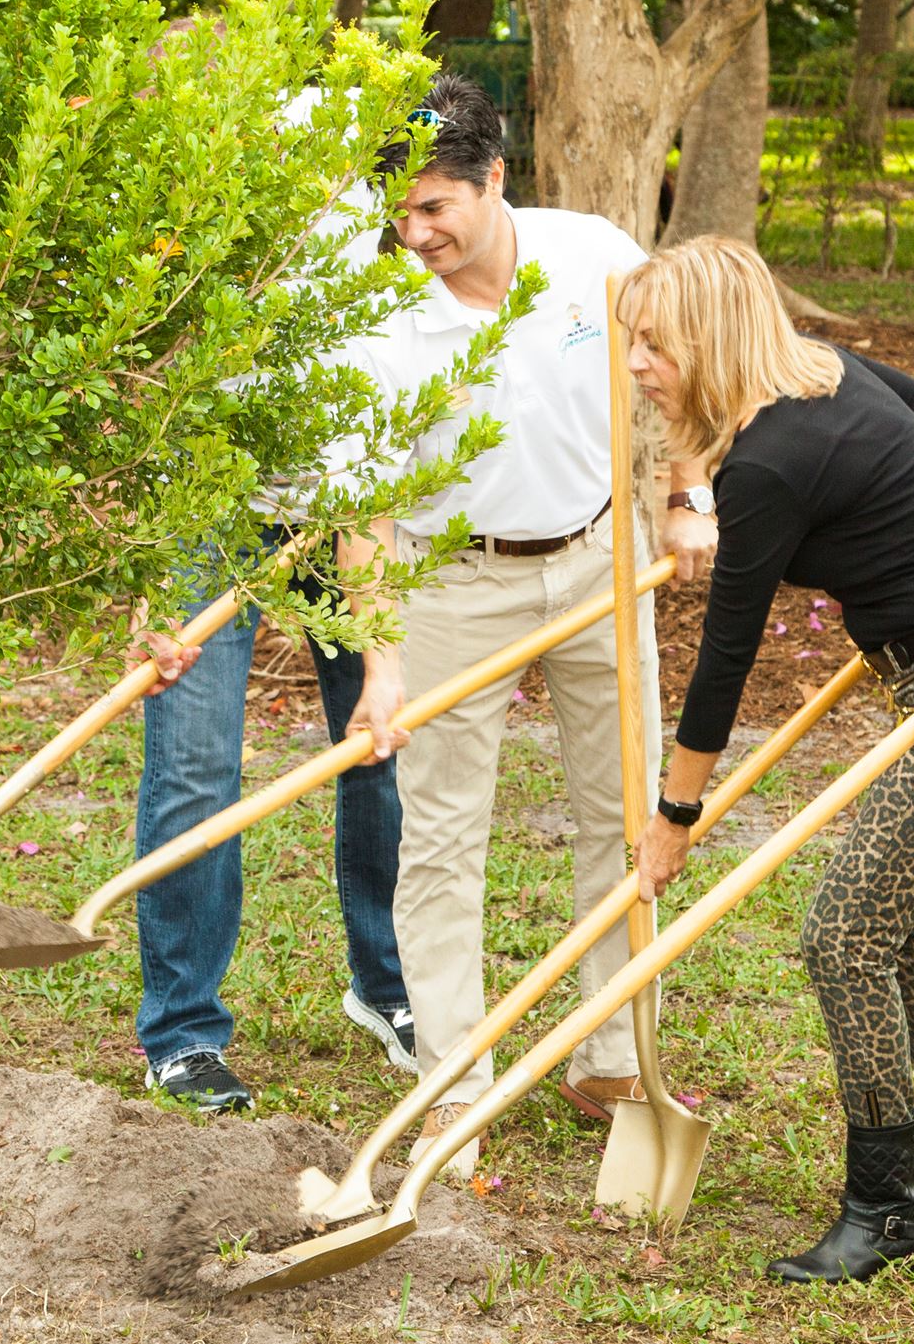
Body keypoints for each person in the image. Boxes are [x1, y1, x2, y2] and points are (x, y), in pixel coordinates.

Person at [621, 235, 914, 1285]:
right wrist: (886, 531)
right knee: (893, 918)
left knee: (843, 935)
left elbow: (723, 658)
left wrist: (673, 818)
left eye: (653, 345)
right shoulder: (823, 369)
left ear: (708, 339)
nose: (636, 364)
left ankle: (886, 1207)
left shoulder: (771, 462)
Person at [338, 72, 697, 1174]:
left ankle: (609, 1049)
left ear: (494, 180)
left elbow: (682, 365)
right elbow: (362, 509)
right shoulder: (378, 316)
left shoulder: (588, 254)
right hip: (455, 581)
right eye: (396, 211)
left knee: (622, 812)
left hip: (596, 558)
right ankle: (453, 1078)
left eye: (434, 206)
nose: (415, 233)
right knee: (440, 838)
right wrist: (382, 664)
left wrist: (683, 495)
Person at [125, 558, 412, 1112]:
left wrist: (383, 667)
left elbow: (368, 511)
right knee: (196, 771)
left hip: (347, 505)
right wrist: (152, 575)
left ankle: (393, 990)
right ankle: (183, 1033)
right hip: (214, 508)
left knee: (381, 746)